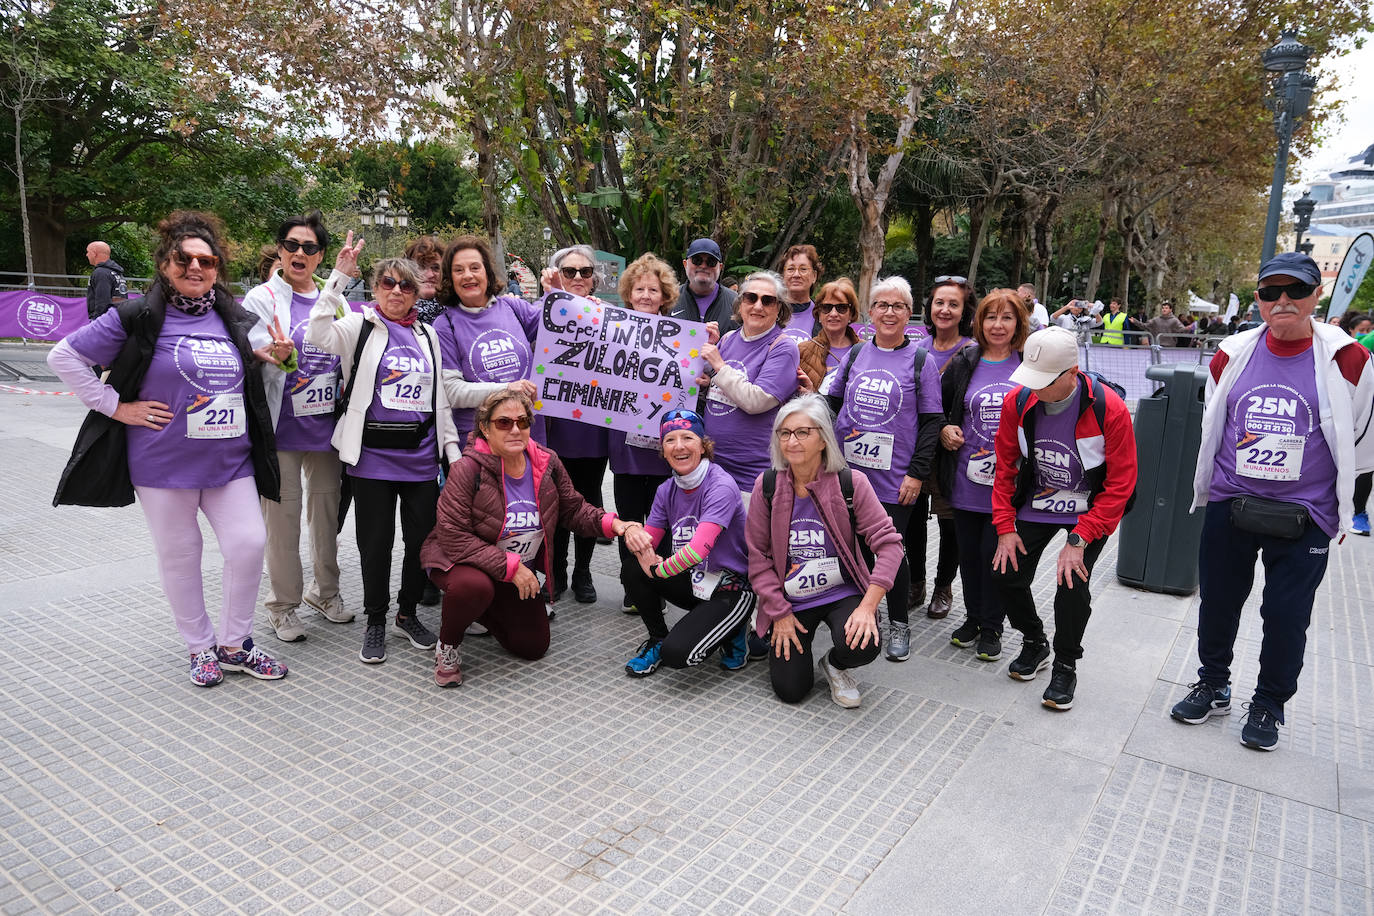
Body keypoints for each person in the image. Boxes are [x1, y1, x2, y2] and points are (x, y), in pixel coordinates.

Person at [51, 211, 290, 686]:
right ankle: (200, 647)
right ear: (165, 263)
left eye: (207, 260)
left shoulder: (233, 316)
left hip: (231, 460)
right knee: (182, 554)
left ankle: (235, 642)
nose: (196, 267)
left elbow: (241, 372)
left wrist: (265, 359)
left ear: (218, 266)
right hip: (162, 463)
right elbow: (64, 356)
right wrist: (116, 407)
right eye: (184, 259)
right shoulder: (137, 315)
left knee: (248, 544)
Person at [1171, 253, 1374, 750]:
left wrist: (1340, 503)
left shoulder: (1349, 358)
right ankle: (1213, 682)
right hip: (1230, 501)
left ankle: (1269, 704)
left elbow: (1363, 437)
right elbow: (1215, 424)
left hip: (1306, 515)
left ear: (1315, 297)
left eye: (1295, 291)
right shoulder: (1232, 351)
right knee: (1218, 602)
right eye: (1270, 292)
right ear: (1259, 299)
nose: (1282, 301)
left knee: (1286, 615)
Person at [307, 239, 462, 664]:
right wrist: (338, 278)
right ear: (375, 288)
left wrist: (452, 454)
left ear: (416, 292)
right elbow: (316, 333)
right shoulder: (360, 326)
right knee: (376, 545)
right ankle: (376, 619)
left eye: (406, 286)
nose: (397, 292)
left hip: (420, 459)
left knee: (421, 544)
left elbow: (440, 401)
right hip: (371, 459)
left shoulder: (427, 334)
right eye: (388, 283)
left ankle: (406, 612)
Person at [420, 391, 639, 686]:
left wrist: (616, 525)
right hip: (462, 561)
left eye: (522, 422)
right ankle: (448, 644)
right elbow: (452, 535)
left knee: (533, 646)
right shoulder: (466, 469)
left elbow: (573, 508)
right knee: (472, 587)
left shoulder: (546, 462)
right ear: (484, 428)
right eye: (503, 422)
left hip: (512, 569)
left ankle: (481, 609)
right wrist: (510, 566)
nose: (515, 429)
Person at [989, 326, 1137, 710]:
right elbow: (1004, 467)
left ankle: (1066, 663)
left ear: (1072, 372)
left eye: (1044, 382)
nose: (1034, 389)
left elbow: (1121, 483)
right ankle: (1034, 641)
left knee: (1071, 582)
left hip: (1090, 506)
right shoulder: (1018, 402)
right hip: (1038, 499)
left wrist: (1080, 539)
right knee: (1005, 573)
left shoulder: (1110, 409)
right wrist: (1005, 526)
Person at [746, 395, 902, 707]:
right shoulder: (767, 485)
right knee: (791, 691)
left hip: (840, 591)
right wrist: (779, 614)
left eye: (803, 432)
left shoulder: (851, 483)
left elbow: (890, 546)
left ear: (823, 439)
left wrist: (868, 606)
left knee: (863, 643)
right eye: (785, 433)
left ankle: (835, 665)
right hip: (791, 597)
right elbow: (758, 558)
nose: (792, 441)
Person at [241, 212, 353, 642]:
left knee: (326, 517)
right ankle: (282, 606)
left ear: (321, 254)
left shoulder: (336, 298)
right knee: (283, 523)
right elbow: (251, 348)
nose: (299, 253)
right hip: (282, 430)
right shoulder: (261, 298)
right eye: (292, 245)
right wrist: (271, 352)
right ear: (280, 250)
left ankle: (325, 593)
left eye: (309, 247)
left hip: (326, 432)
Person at [827, 276, 943, 662]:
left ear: (909, 314)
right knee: (853, 546)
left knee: (891, 552)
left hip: (896, 480)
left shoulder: (921, 361)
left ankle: (899, 625)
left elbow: (931, 423)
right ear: (870, 312)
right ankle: (864, 613)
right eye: (882, 305)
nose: (889, 312)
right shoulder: (857, 354)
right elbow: (832, 403)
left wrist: (917, 473)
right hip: (849, 475)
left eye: (898, 306)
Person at [619, 409, 757, 677]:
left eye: (688, 438)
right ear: (663, 449)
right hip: (693, 581)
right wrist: (631, 534)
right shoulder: (666, 490)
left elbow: (697, 550)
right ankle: (658, 639)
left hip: (729, 587)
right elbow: (648, 541)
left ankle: (735, 630)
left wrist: (657, 569)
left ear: (703, 445)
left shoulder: (721, 485)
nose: (679, 446)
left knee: (679, 655)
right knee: (632, 568)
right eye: (670, 440)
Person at [935, 289, 1030, 661]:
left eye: (1007, 317)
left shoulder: (1027, 363)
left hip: (1010, 484)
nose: (998, 325)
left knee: (997, 555)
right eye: (991, 317)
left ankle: (993, 626)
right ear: (980, 322)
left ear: (1018, 323)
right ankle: (973, 618)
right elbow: (936, 408)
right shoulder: (965, 360)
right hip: (966, 479)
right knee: (970, 554)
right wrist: (945, 429)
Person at [541, 245, 611, 604]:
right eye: (570, 272)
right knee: (553, 502)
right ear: (557, 275)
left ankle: (583, 571)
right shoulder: (543, 310)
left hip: (594, 428)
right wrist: (548, 296)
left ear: (594, 278)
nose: (579, 278)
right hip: (554, 428)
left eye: (585, 272)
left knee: (586, 499)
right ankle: (557, 570)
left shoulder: (612, 317)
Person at [609, 254, 678, 613]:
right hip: (626, 449)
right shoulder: (611, 330)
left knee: (660, 518)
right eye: (640, 289)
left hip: (666, 447)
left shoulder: (684, 336)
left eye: (653, 289)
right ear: (629, 293)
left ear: (664, 295)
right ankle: (632, 586)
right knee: (629, 518)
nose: (647, 295)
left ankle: (659, 582)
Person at [431, 235, 543, 451]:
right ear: (449, 278)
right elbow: (453, 391)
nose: (468, 276)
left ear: (487, 272)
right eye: (459, 270)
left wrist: (578, 300)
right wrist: (507, 388)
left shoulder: (512, 307)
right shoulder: (444, 325)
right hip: (480, 441)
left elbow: (559, 322)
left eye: (475, 267)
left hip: (527, 432)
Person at [699, 271, 802, 492]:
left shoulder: (783, 347)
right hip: (712, 468)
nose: (758, 306)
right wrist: (706, 376)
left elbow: (756, 401)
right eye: (750, 298)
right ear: (740, 304)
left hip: (752, 477)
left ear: (779, 309)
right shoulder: (727, 339)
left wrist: (719, 365)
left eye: (768, 300)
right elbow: (723, 385)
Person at [913, 276, 975, 621]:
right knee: (912, 522)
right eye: (939, 302)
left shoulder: (973, 350)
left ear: (965, 310)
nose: (945, 309)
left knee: (950, 523)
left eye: (953, 304)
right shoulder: (917, 348)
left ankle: (943, 585)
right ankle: (916, 583)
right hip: (916, 448)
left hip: (954, 452)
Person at [797, 278, 861, 395]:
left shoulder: (866, 351)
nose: (833, 313)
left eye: (841, 308)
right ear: (819, 313)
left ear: (851, 313)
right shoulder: (802, 351)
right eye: (826, 307)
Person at [670, 238, 738, 334]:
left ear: (720, 267)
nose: (703, 266)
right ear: (685, 264)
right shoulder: (668, 298)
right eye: (697, 260)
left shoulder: (737, 303)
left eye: (711, 262)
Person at [778, 244, 821, 344]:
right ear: (783, 275)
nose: (796, 275)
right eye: (790, 269)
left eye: (803, 269)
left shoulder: (823, 317)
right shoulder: (768, 311)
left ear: (814, 276)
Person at [406, 235, 447, 325]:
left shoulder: (459, 314)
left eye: (436, 268)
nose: (429, 274)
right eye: (421, 267)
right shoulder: (390, 315)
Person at [85, 240, 127, 322]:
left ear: (94, 253)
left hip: (105, 323)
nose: (87, 255)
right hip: (118, 320)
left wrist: (97, 323)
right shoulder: (116, 272)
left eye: (88, 252)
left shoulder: (101, 273)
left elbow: (102, 302)